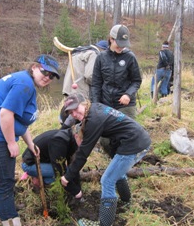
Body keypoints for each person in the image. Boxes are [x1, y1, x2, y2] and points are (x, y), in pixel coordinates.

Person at [0, 54, 60, 226]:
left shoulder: (23, 81)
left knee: (4, 180)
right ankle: (10, 220)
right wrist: (11, 142)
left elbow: (17, 121)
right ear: (34, 67)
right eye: (45, 72)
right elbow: (5, 114)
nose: (48, 77)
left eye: (52, 76)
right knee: (4, 183)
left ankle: (5, 203)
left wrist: (31, 144)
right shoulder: (24, 85)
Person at [60, 93, 151, 226]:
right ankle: (126, 201)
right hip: (137, 139)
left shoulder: (94, 119)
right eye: (70, 112)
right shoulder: (94, 108)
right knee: (117, 171)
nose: (74, 114)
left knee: (107, 180)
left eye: (76, 109)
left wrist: (68, 176)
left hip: (134, 144)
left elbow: (83, 152)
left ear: (84, 103)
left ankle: (104, 224)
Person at [91, 25, 142, 155]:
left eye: (124, 45)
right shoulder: (101, 58)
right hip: (106, 103)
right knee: (105, 140)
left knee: (128, 135)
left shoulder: (130, 57)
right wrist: (96, 105)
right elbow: (96, 84)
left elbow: (136, 80)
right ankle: (113, 159)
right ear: (111, 39)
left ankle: (127, 160)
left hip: (125, 103)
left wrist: (128, 94)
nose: (121, 47)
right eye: (119, 44)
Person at [21, 127, 83, 199]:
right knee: (64, 175)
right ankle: (42, 182)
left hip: (44, 161)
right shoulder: (59, 142)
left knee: (69, 172)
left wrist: (78, 187)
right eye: (83, 141)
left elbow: (72, 165)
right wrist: (76, 191)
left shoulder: (72, 140)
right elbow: (59, 171)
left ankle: (43, 179)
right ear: (76, 136)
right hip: (30, 164)